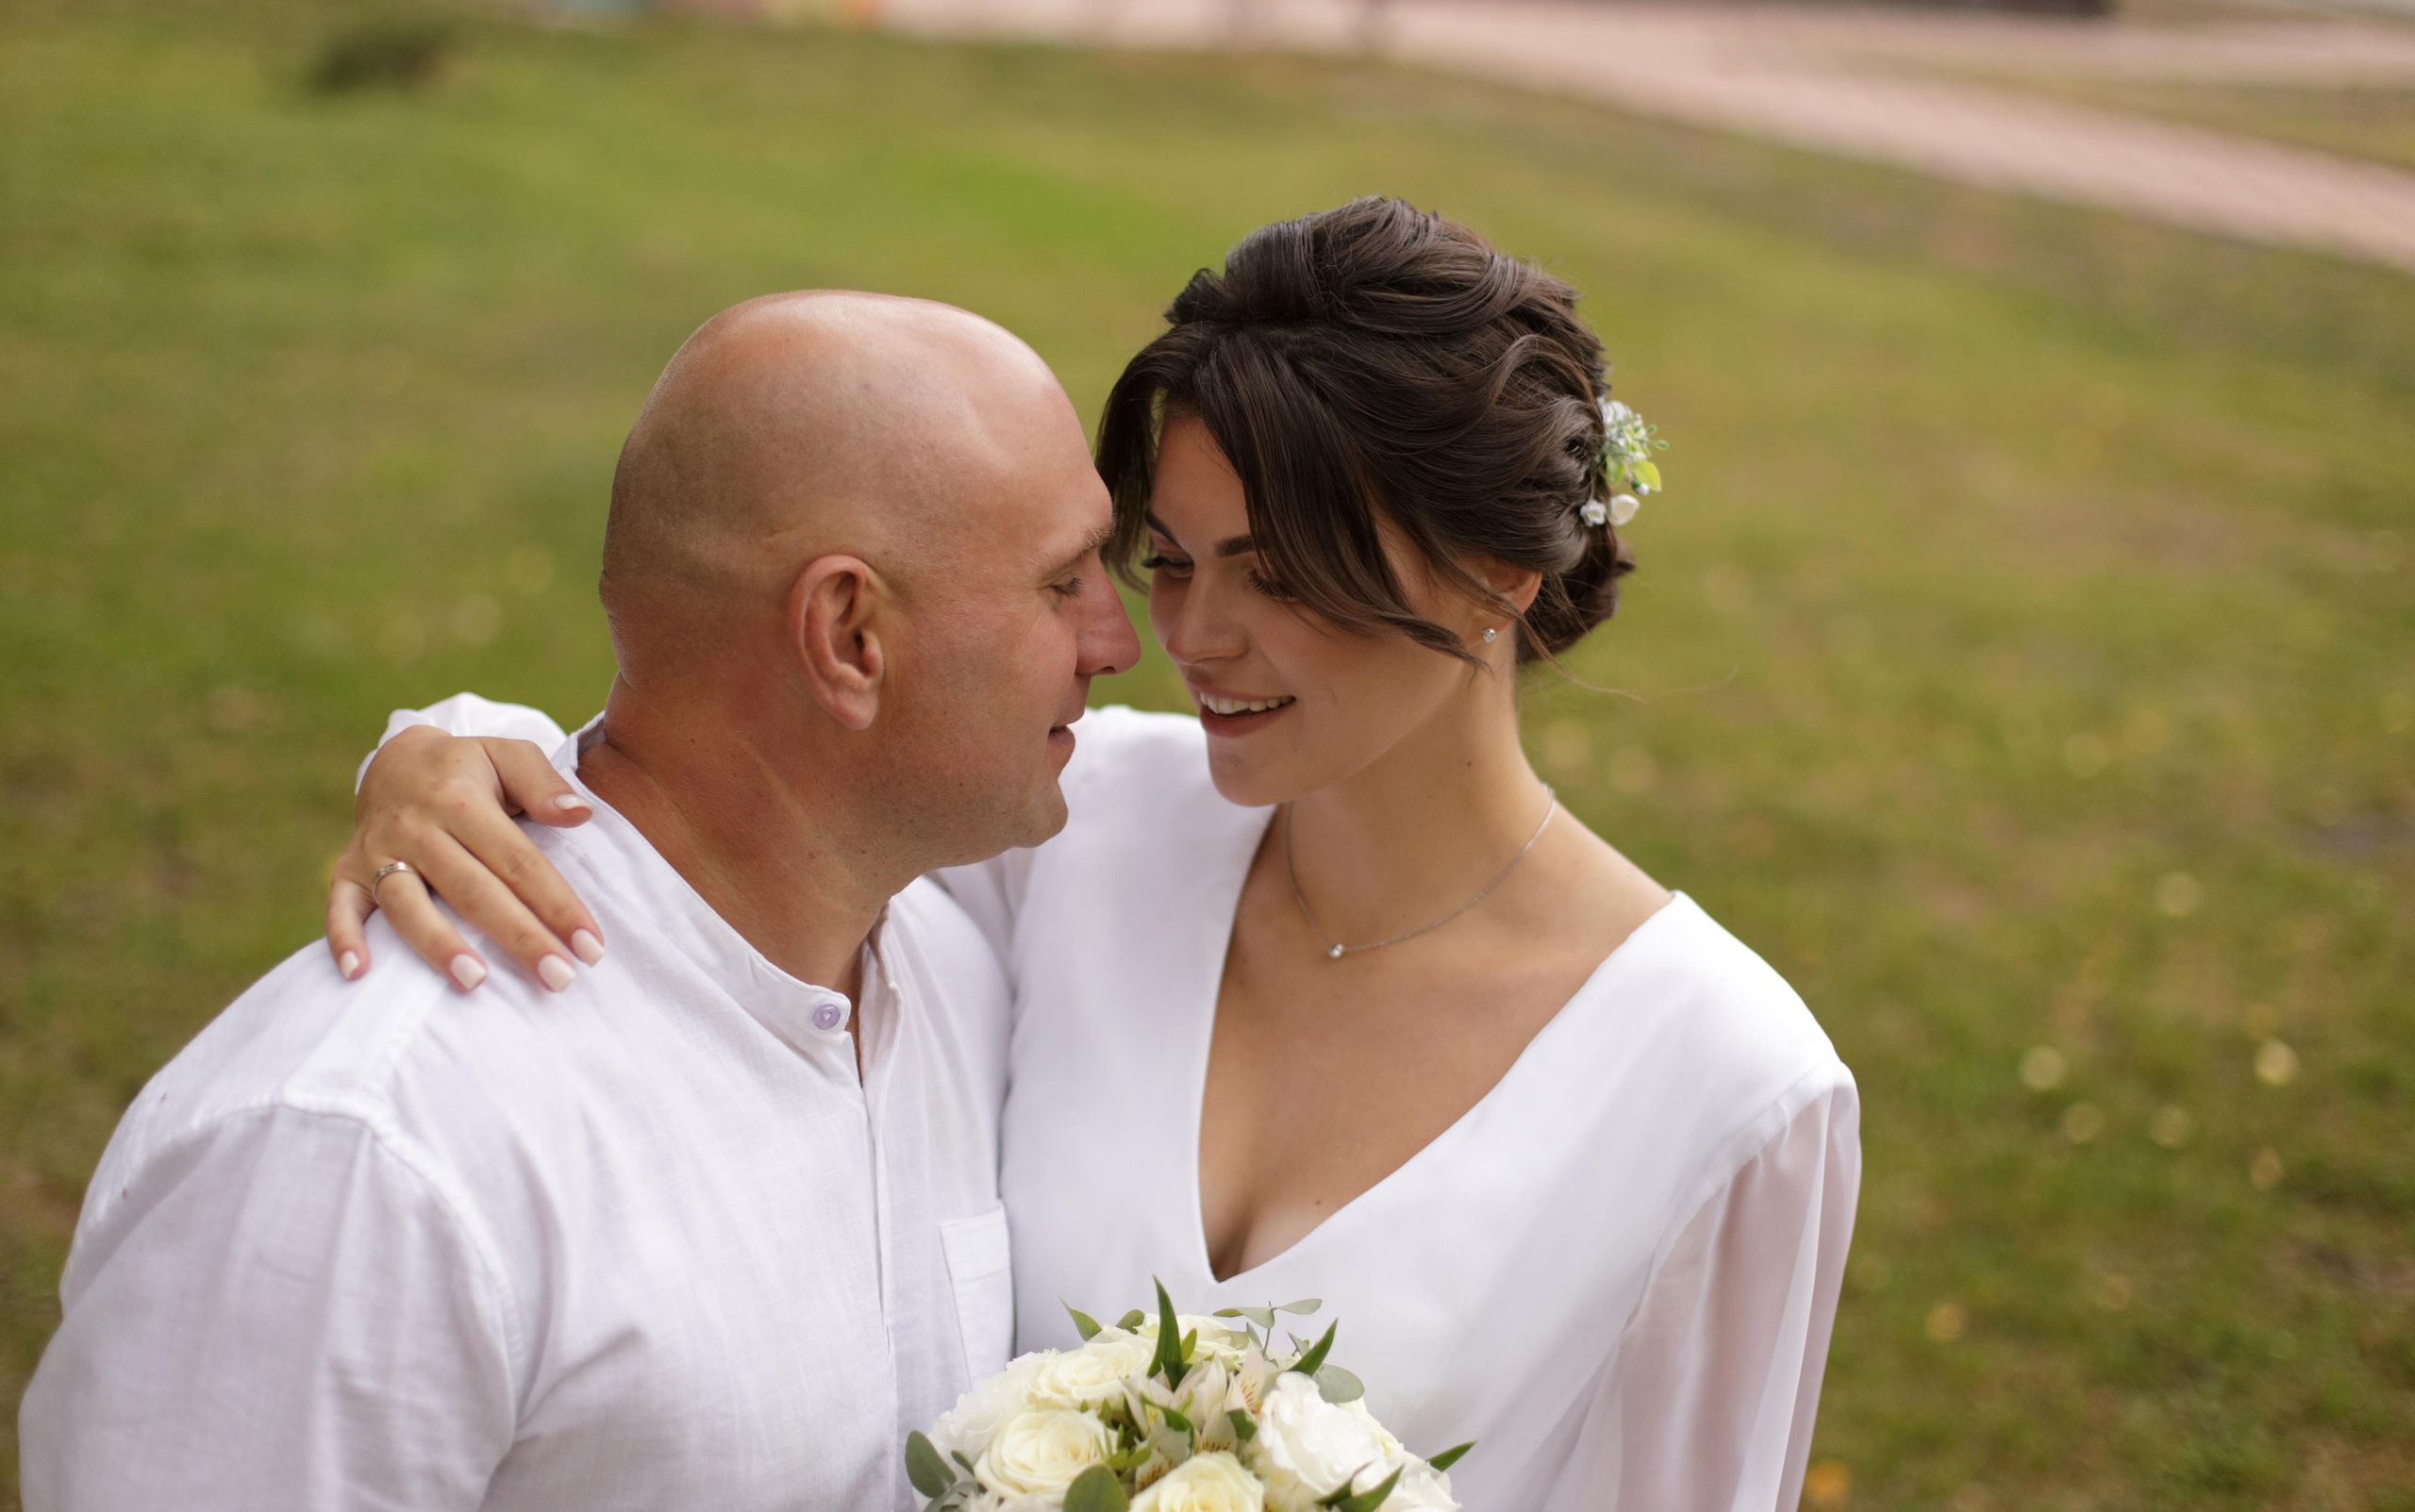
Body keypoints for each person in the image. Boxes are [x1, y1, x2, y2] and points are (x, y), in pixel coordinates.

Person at [328, 199, 1860, 1510]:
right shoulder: (1076, 831)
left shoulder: (1731, 1091)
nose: (1184, 640)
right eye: (1172, 560)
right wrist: (448, 745)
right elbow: (739, 777)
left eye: (1278, 575)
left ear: (1496, 577)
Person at [20, 292, 1140, 1511]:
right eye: (1064, 579)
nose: (1115, 640)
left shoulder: (955, 968)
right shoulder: (371, 1158)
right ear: (849, 638)